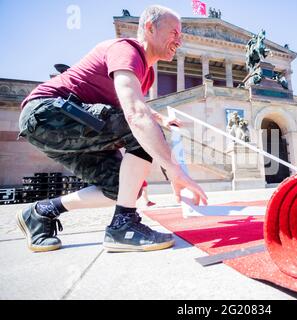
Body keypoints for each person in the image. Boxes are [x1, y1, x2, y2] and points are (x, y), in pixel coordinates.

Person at [16, 5, 208, 253]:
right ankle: (123, 226)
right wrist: (174, 169)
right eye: (174, 33)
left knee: (124, 188)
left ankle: (41, 212)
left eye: (180, 35)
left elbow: (133, 106)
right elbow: (135, 115)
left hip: (65, 126)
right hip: (45, 113)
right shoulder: (126, 50)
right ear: (149, 28)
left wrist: (160, 120)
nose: (179, 40)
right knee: (141, 129)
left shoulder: (145, 74)